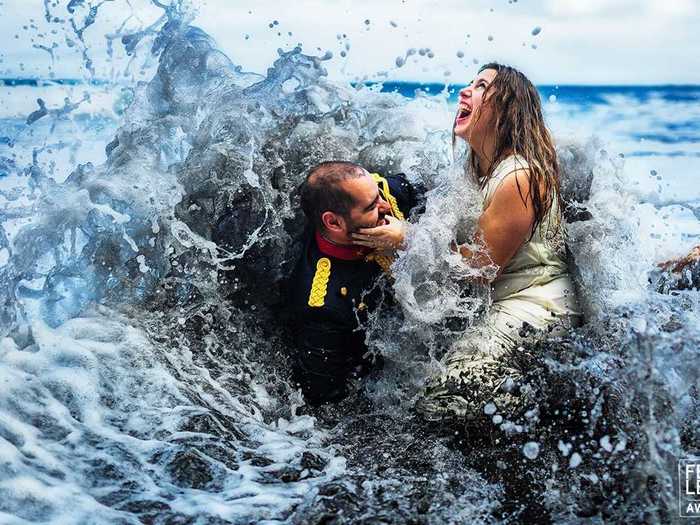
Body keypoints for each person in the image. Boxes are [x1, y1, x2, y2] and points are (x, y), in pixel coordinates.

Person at [356, 63, 582, 422]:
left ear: (508, 109)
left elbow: (480, 268)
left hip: (536, 307)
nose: (464, 91)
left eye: (480, 86)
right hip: (504, 303)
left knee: (439, 404)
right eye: (469, 83)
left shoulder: (518, 177)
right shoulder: (476, 167)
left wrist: (407, 239)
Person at [288, 161, 417, 406]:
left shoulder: (379, 193)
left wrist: (411, 237)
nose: (386, 205)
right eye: (371, 207)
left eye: (378, 195)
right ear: (334, 223)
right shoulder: (322, 306)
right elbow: (324, 396)